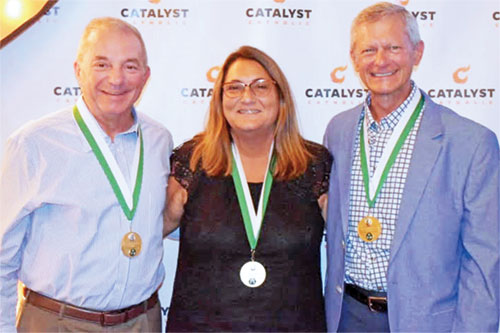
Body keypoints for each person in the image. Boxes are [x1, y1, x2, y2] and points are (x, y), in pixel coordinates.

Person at [323, 2, 499, 332]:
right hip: (347, 317)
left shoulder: (471, 143)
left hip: (428, 323)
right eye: (369, 49)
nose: (381, 60)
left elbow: (485, 262)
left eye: (393, 47)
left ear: (417, 53)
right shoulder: (338, 131)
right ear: (354, 58)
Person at [0, 17, 172, 332]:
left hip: (142, 322)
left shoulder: (160, 140)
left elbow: (166, 217)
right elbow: (2, 252)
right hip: (56, 322)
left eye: (130, 67)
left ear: (146, 76)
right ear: (79, 70)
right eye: (102, 65)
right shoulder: (34, 144)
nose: (116, 79)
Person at [163, 45, 332, 332]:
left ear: (281, 98)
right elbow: (149, 230)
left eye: (261, 86)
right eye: (234, 87)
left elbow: (349, 244)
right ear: (219, 99)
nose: (247, 97)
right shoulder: (191, 162)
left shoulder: (314, 166)